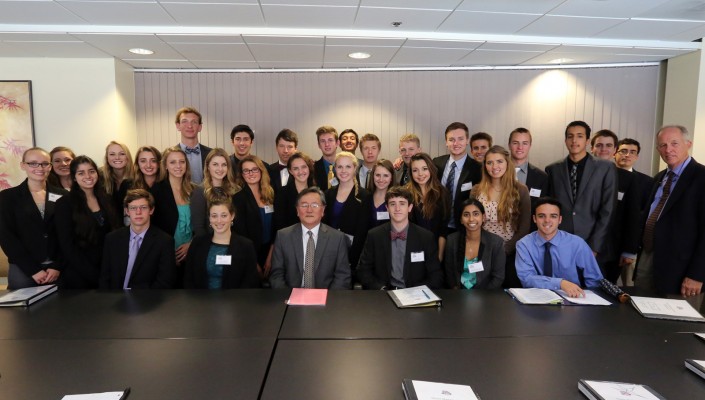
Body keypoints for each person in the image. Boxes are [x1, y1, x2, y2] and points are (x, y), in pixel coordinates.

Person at [635, 125, 705, 297]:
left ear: (688, 144)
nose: (668, 150)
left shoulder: (701, 177)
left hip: (682, 271)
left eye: (674, 143)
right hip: (648, 257)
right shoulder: (660, 178)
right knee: (640, 316)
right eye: (663, 145)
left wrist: (697, 274)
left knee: (676, 322)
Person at [545, 121, 617, 268]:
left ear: (587, 141)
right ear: (565, 140)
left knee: (591, 290)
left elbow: (608, 210)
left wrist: (594, 247)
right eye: (570, 136)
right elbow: (549, 209)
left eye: (579, 136)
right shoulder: (553, 169)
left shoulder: (606, 168)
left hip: (593, 245)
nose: (574, 140)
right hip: (560, 244)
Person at [0, 147, 68, 289]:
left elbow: (68, 234)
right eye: (33, 163)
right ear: (23, 165)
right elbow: (6, 237)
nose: (40, 168)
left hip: (58, 269)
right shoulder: (7, 198)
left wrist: (57, 266)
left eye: (44, 163)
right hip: (23, 268)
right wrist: (33, 270)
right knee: (22, 311)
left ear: (50, 166)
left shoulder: (64, 195)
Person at [357, 187, 443, 290]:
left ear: (410, 207)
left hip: (415, 296)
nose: (397, 208)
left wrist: (415, 292)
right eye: (393, 204)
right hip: (384, 295)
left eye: (402, 203)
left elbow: (436, 276)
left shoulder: (426, 237)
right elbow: (363, 271)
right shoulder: (374, 235)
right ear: (387, 208)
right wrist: (381, 288)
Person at [515, 197, 604, 297]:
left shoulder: (577, 244)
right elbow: (526, 279)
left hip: (572, 298)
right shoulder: (523, 245)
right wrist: (560, 283)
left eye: (553, 216)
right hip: (537, 298)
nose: (547, 220)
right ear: (534, 219)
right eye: (541, 216)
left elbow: (594, 280)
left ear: (560, 219)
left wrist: (591, 301)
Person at [471, 145, 530, 288]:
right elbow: (472, 222)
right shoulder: (476, 190)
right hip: (482, 250)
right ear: (485, 166)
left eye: (499, 161)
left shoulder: (520, 190)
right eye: (489, 162)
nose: (494, 166)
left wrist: (504, 250)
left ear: (507, 163)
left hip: (509, 252)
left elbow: (524, 227)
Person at [56, 156, 119, 289]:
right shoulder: (65, 203)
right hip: (79, 273)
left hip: (107, 269)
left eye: (91, 171)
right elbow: (67, 245)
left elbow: (115, 233)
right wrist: (93, 274)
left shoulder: (107, 199)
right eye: (81, 173)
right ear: (74, 177)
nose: (88, 176)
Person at [269, 187, 351, 289]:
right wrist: (289, 297)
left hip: (326, 299)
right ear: (297, 210)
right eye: (304, 205)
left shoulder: (338, 238)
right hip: (291, 298)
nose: (309, 210)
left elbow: (342, 276)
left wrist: (328, 299)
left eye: (315, 205)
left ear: (323, 210)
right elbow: (276, 275)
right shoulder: (283, 236)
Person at [590, 129, 642, 283]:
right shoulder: (579, 174)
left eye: (608, 146)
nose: (603, 149)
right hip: (582, 243)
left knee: (606, 291)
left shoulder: (629, 179)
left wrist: (629, 250)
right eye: (599, 145)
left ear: (614, 151)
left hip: (613, 249)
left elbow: (633, 216)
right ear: (591, 148)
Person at [99, 189, 175, 289]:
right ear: (127, 211)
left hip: (147, 301)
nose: (138, 212)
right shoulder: (112, 239)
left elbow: (164, 282)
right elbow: (105, 278)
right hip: (114, 300)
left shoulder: (165, 242)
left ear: (151, 210)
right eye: (133, 208)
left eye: (143, 207)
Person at [184, 199, 260, 289]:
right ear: (209, 218)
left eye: (224, 216)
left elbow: (250, 281)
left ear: (232, 216)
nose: (219, 221)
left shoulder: (246, 246)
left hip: (236, 301)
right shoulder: (197, 243)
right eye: (214, 216)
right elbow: (188, 278)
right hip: (201, 301)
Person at [150, 147, 195, 284]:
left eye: (182, 162)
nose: (178, 166)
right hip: (168, 253)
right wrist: (168, 254)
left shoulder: (194, 190)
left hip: (192, 251)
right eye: (173, 162)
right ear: (165, 166)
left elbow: (201, 223)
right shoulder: (157, 190)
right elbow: (153, 226)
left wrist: (191, 245)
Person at [614, 138, 654, 285]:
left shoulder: (647, 182)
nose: (627, 155)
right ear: (615, 153)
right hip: (608, 244)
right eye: (623, 151)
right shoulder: (605, 176)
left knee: (630, 288)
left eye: (632, 152)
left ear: (637, 156)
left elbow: (643, 216)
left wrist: (632, 248)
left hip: (631, 246)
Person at [432, 122, 483, 233]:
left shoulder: (477, 169)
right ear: (446, 142)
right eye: (451, 140)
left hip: (463, 228)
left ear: (467, 141)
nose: (456, 143)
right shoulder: (436, 163)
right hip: (437, 225)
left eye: (460, 139)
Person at [444, 198, 505, 289]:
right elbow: (449, 272)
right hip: (458, 295)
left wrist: (482, 297)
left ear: (483, 217)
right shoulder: (452, 240)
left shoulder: (496, 243)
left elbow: (498, 277)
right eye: (466, 215)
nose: (471, 219)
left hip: (486, 295)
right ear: (461, 220)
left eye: (476, 214)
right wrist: (457, 293)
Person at [324, 151, 369, 272]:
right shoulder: (328, 194)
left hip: (352, 254)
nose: (343, 171)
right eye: (340, 167)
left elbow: (362, 231)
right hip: (329, 251)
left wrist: (353, 258)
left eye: (348, 166)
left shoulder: (363, 195)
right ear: (335, 169)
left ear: (355, 168)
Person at [233, 155, 275, 279]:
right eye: (246, 170)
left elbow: (276, 227)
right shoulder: (238, 198)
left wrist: (271, 256)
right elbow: (240, 233)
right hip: (250, 252)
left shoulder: (270, 194)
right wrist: (253, 262)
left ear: (261, 171)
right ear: (242, 174)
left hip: (270, 250)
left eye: (254, 169)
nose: (251, 173)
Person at [407, 153, 450, 261]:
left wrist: (439, 256)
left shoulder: (442, 193)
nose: (420, 174)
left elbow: (443, 229)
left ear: (431, 169)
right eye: (415, 170)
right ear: (411, 173)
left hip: (435, 249)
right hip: (412, 250)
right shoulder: (406, 194)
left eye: (424, 169)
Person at [191, 148, 239, 237]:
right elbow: (198, 228)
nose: (220, 169)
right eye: (215, 164)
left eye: (224, 165)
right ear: (208, 166)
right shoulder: (200, 192)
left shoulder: (235, 190)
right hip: (209, 244)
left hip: (233, 242)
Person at [509, 127, 548, 230]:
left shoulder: (541, 177)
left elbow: (542, 210)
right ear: (509, 145)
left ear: (530, 146)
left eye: (525, 143)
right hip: (499, 234)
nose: (520, 147)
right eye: (515, 143)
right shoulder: (497, 172)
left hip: (530, 233)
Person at [273, 151, 315, 233]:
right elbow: (279, 222)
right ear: (291, 171)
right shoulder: (282, 193)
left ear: (309, 168)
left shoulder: (317, 192)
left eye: (303, 167)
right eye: (296, 168)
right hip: (289, 239)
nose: (300, 172)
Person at [175, 106, 212, 183]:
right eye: (184, 121)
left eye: (194, 122)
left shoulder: (211, 154)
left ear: (200, 127)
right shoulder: (169, 155)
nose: (189, 126)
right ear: (178, 126)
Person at [101, 141, 134, 218]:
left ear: (127, 157)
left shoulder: (137, 177)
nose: (117, 158)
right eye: (112, 154)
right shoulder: (100, 178)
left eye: (122, 154)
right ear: (107, 158)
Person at [367, 159, 396, 228]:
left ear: (391, 177)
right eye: (378, 175)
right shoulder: (365, 197)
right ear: (373, 176)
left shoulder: (396, 200)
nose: (381, 179)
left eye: (386, 175)